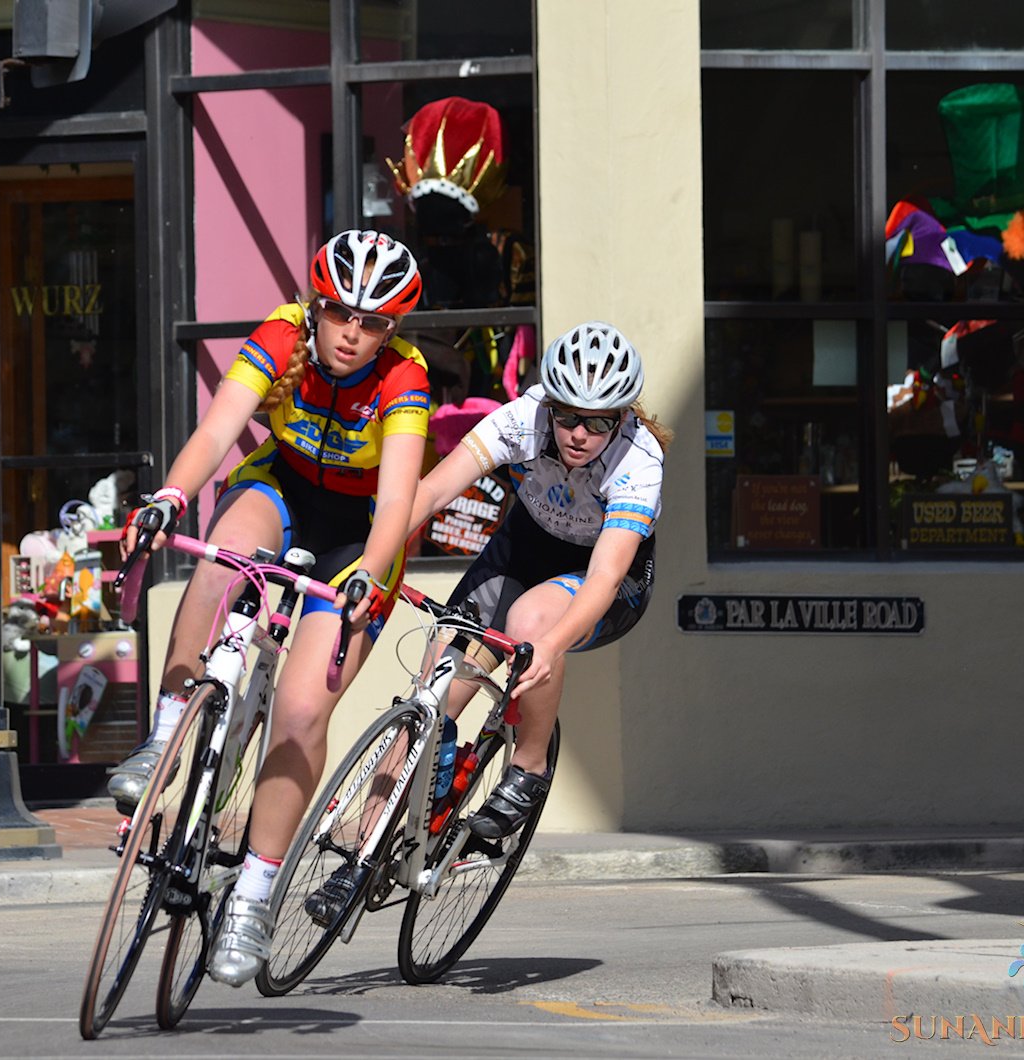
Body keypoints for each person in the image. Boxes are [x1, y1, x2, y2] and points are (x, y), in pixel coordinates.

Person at [112, 229, 431, 987]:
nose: (352, 334)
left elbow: (397, 502)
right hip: (280, 491)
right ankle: (163, 744)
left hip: (361, 539)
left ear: (392, 331)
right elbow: (218, 432)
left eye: (375, 322)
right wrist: (168, 497)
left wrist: (370, 573)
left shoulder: (405, 380)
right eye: (340, 313)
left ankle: (253, 896)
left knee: (297, 714)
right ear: (315, 305)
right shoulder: (281, 334)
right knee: (221, 566)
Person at [406, 321, 669, 836]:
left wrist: (547, 648)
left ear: (623, 419)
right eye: (568, 416)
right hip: (523, 549)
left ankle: (528, 769)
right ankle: (362, 859)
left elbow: (604, 577)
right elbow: (431, 492)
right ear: (549, 404)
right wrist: (375, 557)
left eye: (597, 424)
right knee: (427, 705)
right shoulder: (523, 418)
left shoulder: (639, 460)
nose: (578, 434)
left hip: (603, 573)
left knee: (530, 625)